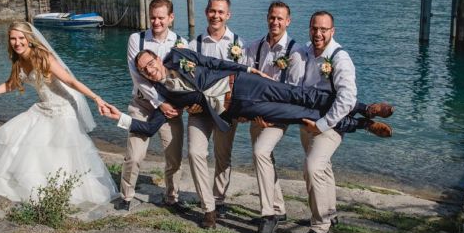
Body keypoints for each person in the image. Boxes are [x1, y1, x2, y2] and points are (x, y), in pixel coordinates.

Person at [101, 47, 391, 149]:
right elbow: (149, 128)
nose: (151, 70)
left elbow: (213, 63)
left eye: (150, 63)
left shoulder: (178, 55)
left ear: (156, 58)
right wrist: (120, 119)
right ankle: (361, 126)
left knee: (301, 94)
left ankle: (365, 107)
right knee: (294, 114)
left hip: (243, 81)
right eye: (144, 70)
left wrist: (248, 68)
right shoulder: (166, 99)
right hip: (239, 106)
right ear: (143, 75)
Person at [0, 21, 118, 205]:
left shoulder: (43, 57)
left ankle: (60, 189)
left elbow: (71, 81)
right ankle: (26, 183)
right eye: (13, 38)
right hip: (44, 106)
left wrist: (97, 98)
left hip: (63, 108)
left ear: (29, 39)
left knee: (57, 149)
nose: (17, 42)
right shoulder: (18, 60)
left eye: (21, 38)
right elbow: (12, 84)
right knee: (19, 136)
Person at [292, 11, 393, 233]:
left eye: (323, 29)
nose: (318, 33)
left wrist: (322, 125)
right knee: (323, 168)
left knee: (313, 167)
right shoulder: (305, 51)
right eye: (314, 28)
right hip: (308, 120)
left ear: (332, 31)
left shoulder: (340, 58)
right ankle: (329, 213)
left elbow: (346, 99)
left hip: (328, 124)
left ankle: (320, 228)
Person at [115, 0, 188, 211]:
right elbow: (137, 76)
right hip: (141, 103)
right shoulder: (135, 40)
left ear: (171, 18)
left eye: (161, 18)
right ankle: (126, 196)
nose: (156, 22)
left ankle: (172, 198)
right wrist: (159, 102)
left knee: (173, 155)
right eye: (153, 18)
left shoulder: (180, 43)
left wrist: (178, 103)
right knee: (134, 155)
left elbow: (184, 77)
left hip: (171, 108)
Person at [244, 1, 305, 233]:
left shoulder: (295, 52)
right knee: (264, 158)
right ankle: (279, 208)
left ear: (288, 21)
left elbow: (294, 93)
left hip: (279, 115)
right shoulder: (255, 46)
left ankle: (268, 214)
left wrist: (272, 116)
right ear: (266, 18)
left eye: (280, 18)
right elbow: (247, 80)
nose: (275, 22)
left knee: (260, 152)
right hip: (256, 114)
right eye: (272, 17)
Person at [186, 0, 245, 228]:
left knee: (223, 157)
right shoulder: (194, 45)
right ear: (206, 12)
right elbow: (185, 79)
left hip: (226, 111)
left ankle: (219, 198)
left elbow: (244, 80)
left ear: (228, 15)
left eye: (221, 12)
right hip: (200, 111)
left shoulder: (239, 45)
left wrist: (241, 109)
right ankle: (208, 207)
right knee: (195, 153)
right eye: (212, 11)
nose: (216, 16)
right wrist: (189, 101)